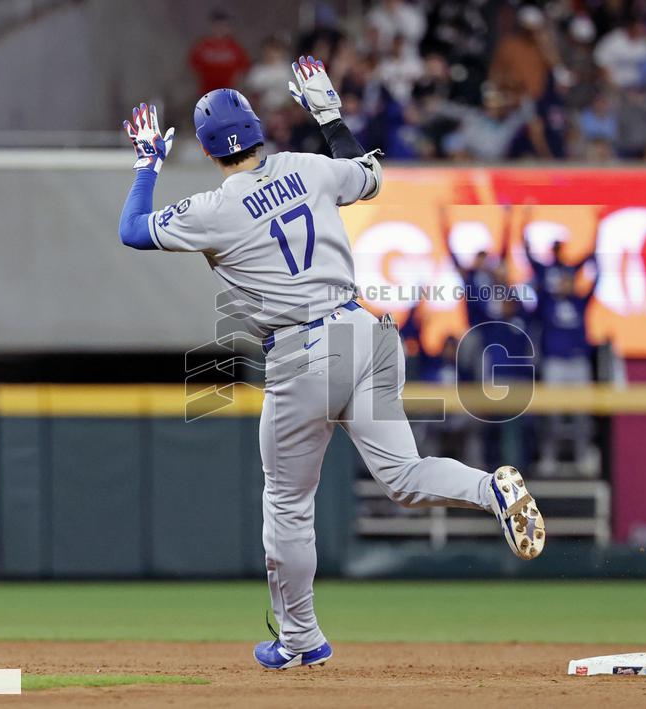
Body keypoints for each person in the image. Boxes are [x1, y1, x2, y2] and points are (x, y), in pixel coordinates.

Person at [117, 56, 544, 671]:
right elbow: (370, 175)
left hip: (303, 354)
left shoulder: (213, 209)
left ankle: (300, 640)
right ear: (258, 129)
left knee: (288, 504)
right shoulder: (307, 168)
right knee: (403, 475)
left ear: (208, 151)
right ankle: (490, 489)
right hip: (363, 333)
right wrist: (330, 115)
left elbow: (133, 230)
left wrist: (147, 162)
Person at [526, 240, 598, 477]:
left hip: (577, 362)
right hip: (555, 362)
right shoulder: (547, 302)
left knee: (581, 413)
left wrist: (596, 251)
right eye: (562, 281)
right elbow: (535, 274)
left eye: (569, 280)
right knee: (552, 413)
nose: (565, 284)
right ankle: (549, 456)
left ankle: (582, 456)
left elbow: (597, 280)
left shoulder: (579, 301)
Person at [187, 10, 251, 95]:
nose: (220, 29)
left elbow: (243, 70)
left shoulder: (236, 47)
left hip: (228, 93)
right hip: (206, 93)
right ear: (211, 27)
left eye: (223, 26)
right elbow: (193, 68)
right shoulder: (202, 46)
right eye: (217, 26)